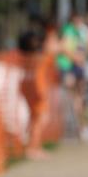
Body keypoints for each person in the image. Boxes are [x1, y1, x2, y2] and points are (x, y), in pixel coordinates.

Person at [19, 23, 58, 159]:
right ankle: (32, 148)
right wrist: (40, 92)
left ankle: (35, 146)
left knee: (35, 118)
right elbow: (37, 76)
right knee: (39, 120)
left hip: (29, 88)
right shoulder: (39, 59)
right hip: (37, 90)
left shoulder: (28, 58)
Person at [58, 12, 88, 140]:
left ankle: (80, 127)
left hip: (77, 67)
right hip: (68, 66)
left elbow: (87, 47)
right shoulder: (68, 30)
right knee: (71, 97)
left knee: (78, 97)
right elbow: (64, 48)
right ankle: (74, 127)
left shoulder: (82, 32)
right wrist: (76, 58)